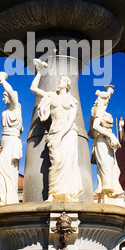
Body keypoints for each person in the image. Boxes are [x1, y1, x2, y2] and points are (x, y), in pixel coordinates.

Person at [30, 59, 83, 202]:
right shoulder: (51, 96)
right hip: (54, 131)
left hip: (68, 131)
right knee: (56, 162)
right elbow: (34, 88)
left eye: (63, 80)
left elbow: (71, 119)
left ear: (67, 84)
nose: (59, 82)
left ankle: (67, 193)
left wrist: (61, 134)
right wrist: (40, 72)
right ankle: (53, 193)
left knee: (69, 162)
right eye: (59, 81)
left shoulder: (72, 100)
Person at [89, 86, 123, 203]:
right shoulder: (99, 111)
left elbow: (91, 130)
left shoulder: (103, 111)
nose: (108, 100)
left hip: (107, 142)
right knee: (106, 167)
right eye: (106, 99)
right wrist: (111, 135)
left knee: (113, 168)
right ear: (103, 100)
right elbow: (94, 127)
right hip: (102, 141)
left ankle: (107, 194)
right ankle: (107, 195)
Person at [0, 72, 23, 205]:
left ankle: (4, 198)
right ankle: (7, 199)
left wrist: (2, 81)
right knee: (9, 170)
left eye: (4, 96)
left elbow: (12, 93)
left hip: (12, 140)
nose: (2, 99)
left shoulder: (15, 108)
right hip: (5, 141)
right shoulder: (4, 112)